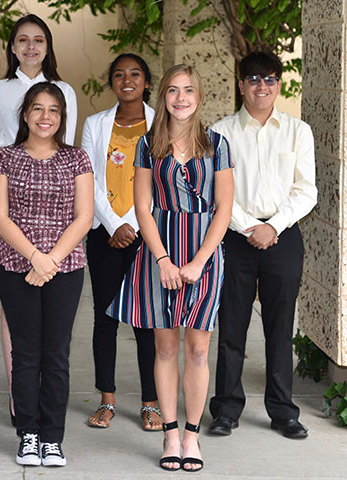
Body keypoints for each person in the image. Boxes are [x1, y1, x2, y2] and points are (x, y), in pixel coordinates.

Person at [108, 64, 234, 472]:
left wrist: (199, 261)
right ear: (162, 96)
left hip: (204, 254)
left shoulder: (218, 144)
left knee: (197, 349)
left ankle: (193, 438)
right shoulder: (147, 144)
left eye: (188, 91)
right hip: (158, 253)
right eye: (173, 91)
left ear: (199, 97)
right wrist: (162, 259)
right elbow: (141, 207)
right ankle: (170, 434)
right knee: (164, 347)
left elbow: (224, 208)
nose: (181, 98)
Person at [208, 51, 317, 440]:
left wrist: (272, 226)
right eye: (253, 79)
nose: (262, 86)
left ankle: (283, 411)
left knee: (279, 326)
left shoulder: (297, 131)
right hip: (234, 237)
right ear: (241, 85)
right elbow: (217, 191)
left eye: (270, 79)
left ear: (279, 84)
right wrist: (250, 226)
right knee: (232, 325)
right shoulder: (220, 132)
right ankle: (226, 408)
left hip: (283, 235)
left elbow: (306, 191)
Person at [0, 82, 93, 467]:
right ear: (25, 115)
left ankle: (52, 438)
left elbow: (84, 217)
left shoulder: (77, 159)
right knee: (26, 354)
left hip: (65, 268)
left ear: (62, 117)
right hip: (15, 266)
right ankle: (28, 434)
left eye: (53, 110)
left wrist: (50, 261)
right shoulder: (5, 157)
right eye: (37, 108)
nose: (45, 116)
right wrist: (34, 256)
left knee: (56, 355)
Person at [0, 13, 78, 424]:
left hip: (56, 213)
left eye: (38, 39)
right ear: (12, 47)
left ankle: (43, 404)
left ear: (48, 46)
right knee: (16, 315)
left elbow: (64, 144)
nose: (30, 47)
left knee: (53, 336)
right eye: (22, 40)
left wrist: (50, 256)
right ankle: (18, 395)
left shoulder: (64, 90)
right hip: (9, 204)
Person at [81, 53, 162, 430]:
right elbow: (90, 178)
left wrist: (134, 224)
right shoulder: (95, 124)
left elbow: (161, 178)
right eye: (118, 74)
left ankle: (151, 402)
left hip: (149, 236)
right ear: (110, 82)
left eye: (135, 74)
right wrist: (114, 224)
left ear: (147, 81)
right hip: (105, 235)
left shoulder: (161, 123)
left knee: (147, 321)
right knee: (105, 318)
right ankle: (107, 400)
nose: (126, 80)